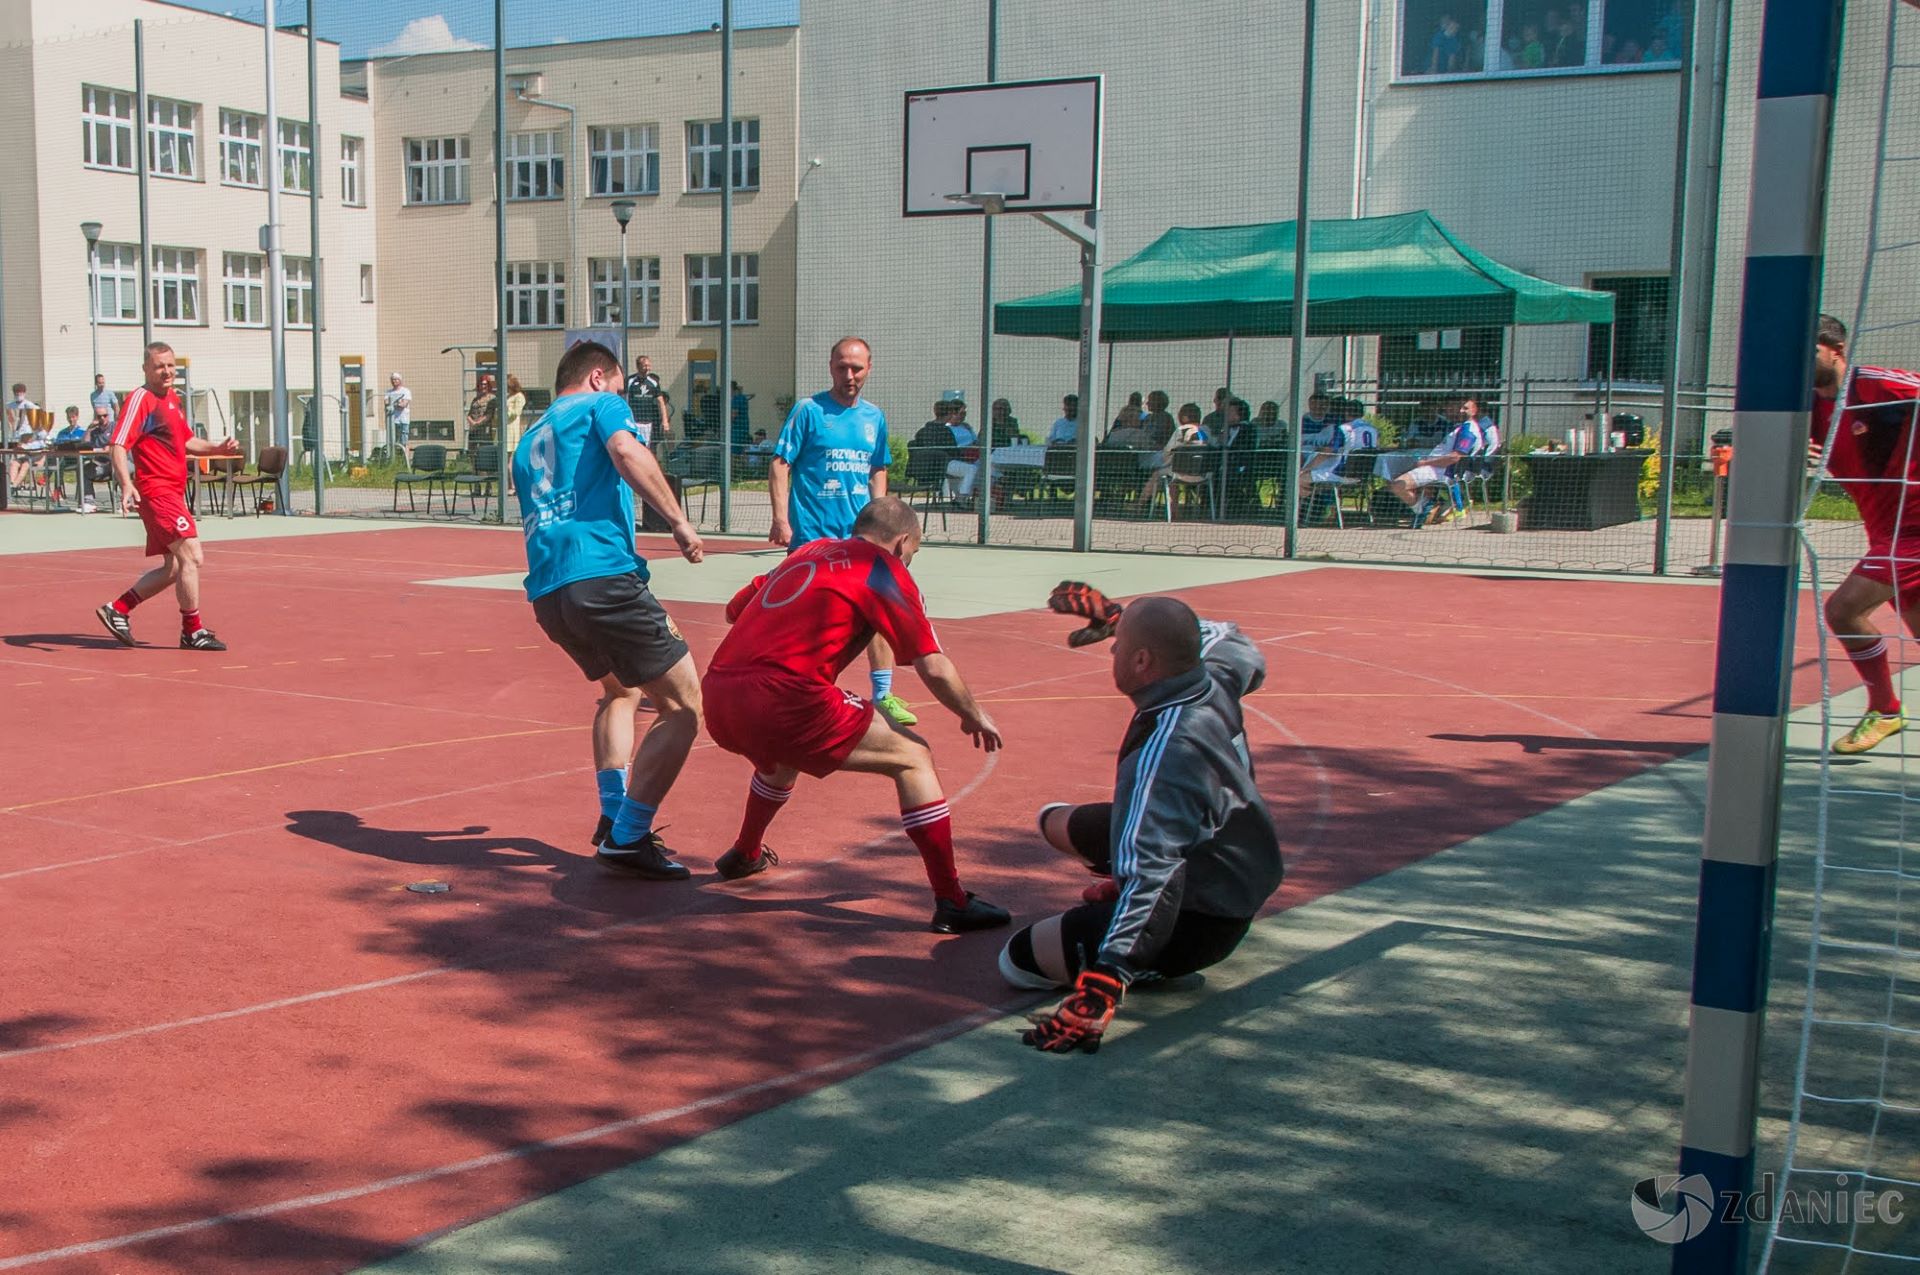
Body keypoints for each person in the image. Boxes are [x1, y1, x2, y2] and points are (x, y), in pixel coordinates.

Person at [702, 496, 1011, 933]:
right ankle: (952, 899)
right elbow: (932, 664)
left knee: (783, 756)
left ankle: (746, 853)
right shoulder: (884, 570)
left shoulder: (810, 551)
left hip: (717, 693)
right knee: (913, 757)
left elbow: (735, 609)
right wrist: (972, 713)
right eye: (914, 554)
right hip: (785, 696)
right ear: (903, 543)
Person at [1007, 589, 1283, 1055]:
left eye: (1119, 644)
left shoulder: (1166, 753)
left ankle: (1145, 957)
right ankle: (1121, 894)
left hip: (1204, 918)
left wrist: (1105, 982)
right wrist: (1121, 616)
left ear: (1141, 662)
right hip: (1228, 853)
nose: (1110, 649)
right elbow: (1230, 637)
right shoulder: (1213, 673)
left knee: (1016, 961)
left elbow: (1155, 879)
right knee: (1054, 821)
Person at [511, 340, 708, 877]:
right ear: (599, 377)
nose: (622, 397)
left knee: (620, 692)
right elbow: (626, 451)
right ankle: (629, 834)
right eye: (620, 387)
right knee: (686, 706)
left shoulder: (528, 437)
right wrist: (677, 520)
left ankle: (612, 814)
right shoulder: (601, 405)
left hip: (550, 593)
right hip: (600, 576)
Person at [768, 337, 918, 726]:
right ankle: (789, 686)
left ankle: (883, 695)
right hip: (814, 538)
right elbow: (781, 463)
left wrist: (883, 521)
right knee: (803, 617)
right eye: (841, 367)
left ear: (869, 368)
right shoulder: (808, 411)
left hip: (862, 542)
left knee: (878, 611)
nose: (848, 375)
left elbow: (878, 469)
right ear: (830, 366)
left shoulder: (874, 418)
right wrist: (781, 519)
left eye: (856, 368)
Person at [1811, 314, 1920, 754]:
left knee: (1842, 610)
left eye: (1807, 349)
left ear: (1835, 351)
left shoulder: (1873, 384)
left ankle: (1886, 709)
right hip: (1883, 530)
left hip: (1913, 529)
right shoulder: (1805, 409)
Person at [94, 342, 242, 651]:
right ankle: (193, 631)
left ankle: (118, 609)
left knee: (175, 567)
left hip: (172, 492)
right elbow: (118, 445)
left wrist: (217, 448)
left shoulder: (172, 399)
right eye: (159, 366)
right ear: (146, 369)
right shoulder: (141, 399)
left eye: (171, 366)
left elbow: (187, 441)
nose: (166, 371)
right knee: (192, 557)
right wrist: (125, 484)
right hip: (157, 491)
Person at [1387, 395, 1485, 525]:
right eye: (1458, 407)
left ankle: (1423, 508)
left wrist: (1426, 463)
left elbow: (1455, 457)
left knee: (1397, 485)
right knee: (1394, 479)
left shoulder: (1468, 430)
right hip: (1435, 468)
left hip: (1441, 471)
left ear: (1474, 411)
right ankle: (1427, 505)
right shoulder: (1459, 427)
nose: (1460, 410)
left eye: (1465, 408)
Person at [624, 354, 673, 446]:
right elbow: (620, 397)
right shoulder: (630, 381)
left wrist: (665, 421)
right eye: (645, 366)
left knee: (645, 448)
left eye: (649, 366)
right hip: (633, 421)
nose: (648, 368)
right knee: (632, 447)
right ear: (638, 366)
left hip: (647, 423)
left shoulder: (653, 382)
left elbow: (661, 402)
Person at [385, 373, 412, 457]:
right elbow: (386, 403)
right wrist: (398, 402)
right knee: (392, 442)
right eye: (393, 379)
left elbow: (403, 405)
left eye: (396, 379)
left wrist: (393, 403)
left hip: (403, 420)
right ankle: (394, 459)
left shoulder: (405, 391)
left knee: (404, 441)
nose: (394, 381)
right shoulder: (388, 392)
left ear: (400, 380)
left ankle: (406, 460)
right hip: (392, 421)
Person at [466, 373, 498, 442]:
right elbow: (469, 414)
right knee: (472, 450)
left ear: (488, 385)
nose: (483, 386)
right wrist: (472, 422)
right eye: (481, 384)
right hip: (473, 430)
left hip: (485, 430)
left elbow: (489, 415)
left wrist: (477, 423)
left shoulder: (492, 398)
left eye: (485, 384)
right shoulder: (475, 399)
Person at [504, 374, 528, 451]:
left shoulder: (519, 396)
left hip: (512, 426)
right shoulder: (508, 396)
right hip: (504, 426)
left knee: (511, 451)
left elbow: (517, 412)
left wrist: (507, 409)